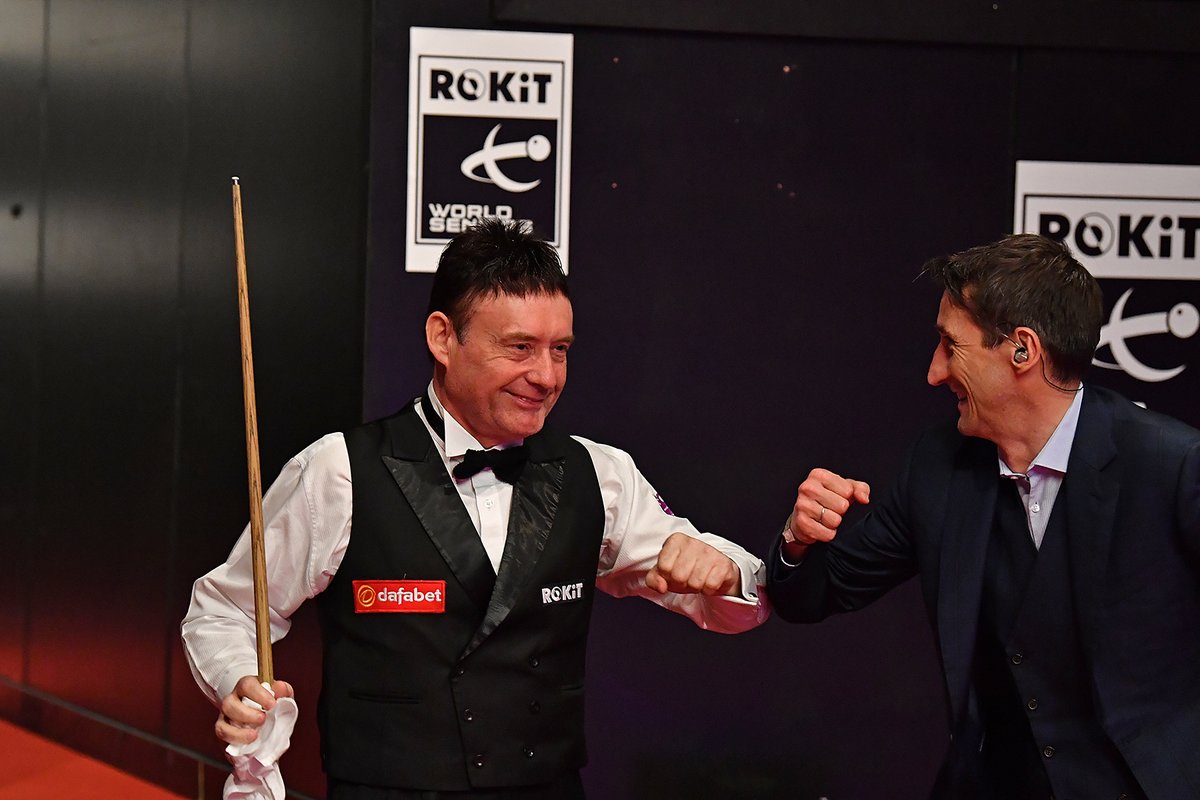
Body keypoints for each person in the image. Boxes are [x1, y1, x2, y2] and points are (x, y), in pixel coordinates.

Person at [182, 218, 768, 799]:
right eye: (519, 348)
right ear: (443, 338)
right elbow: (226, 609)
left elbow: (735, 601)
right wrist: (238, 679)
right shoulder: (339, 470)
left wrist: (726, 574)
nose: (545, 376)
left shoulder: (599, 473)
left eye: (560, 350)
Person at [767, 234, 1200, 799]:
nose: (933, 372)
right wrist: (798, 539)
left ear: (1022, 350)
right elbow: (812, 594)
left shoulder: (1171, 466)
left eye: (951, 345)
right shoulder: (937, 466)